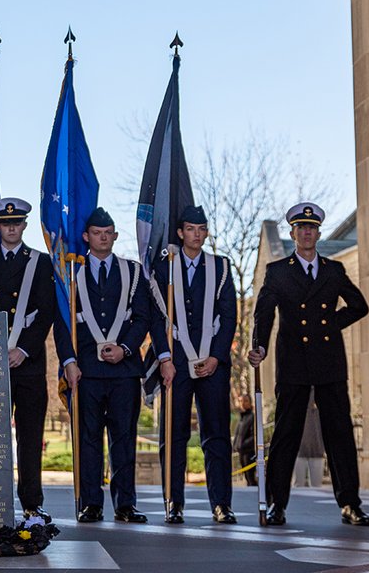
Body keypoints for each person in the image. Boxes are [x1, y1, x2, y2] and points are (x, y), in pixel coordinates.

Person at [248, 202, 369, 527]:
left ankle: (350, 504)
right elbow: (264, 314)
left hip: (329, 361)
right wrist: (259, 346)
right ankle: (277, 504)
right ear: (292, 233)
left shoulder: (333, 270)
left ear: (318, 233)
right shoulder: (278, 271)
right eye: (301, 228)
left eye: (312, 228)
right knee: (286, 434)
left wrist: (330, 324)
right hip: (293, 361)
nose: (306, 233)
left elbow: (359, 305)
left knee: (340, 434)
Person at [51, 207, 152, 523]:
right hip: (86, 371)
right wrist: (68, 361)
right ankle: (90, 503)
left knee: (124, 438)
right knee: (89, 439)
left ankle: (125, 504)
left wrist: (125, 348)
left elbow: (142, 317)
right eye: (97, 232)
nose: (103, 237)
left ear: (115, 236)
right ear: (86, 236)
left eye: (108, 232)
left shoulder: (132, 272)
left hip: (124, 370)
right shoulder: (70, 275)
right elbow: (62, 322)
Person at [149, 204, 238, 525]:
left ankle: (221, 504)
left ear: (207, 232)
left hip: (212, 363)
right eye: (190, 229)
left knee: (216, 435)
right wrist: (164, 358)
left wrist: (217, 356)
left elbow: (229, 316)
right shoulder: (164, 269)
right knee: (172, 435)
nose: (196, 235)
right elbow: (157, 318)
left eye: (201, 229)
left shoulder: (221, 267)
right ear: (180, 232)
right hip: (175, 363)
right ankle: (173, 502)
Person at [0, 197, 58, 523]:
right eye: (5, 223)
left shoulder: (41, 263)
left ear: (24, 226)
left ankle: (31, 501)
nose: (11, 228)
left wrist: (22, 349)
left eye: (16, 223)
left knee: (30, 436)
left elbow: (45, 312)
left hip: (27, 364)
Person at [293, 397, 325, 488]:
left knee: (316, 485)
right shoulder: (297, 409)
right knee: (298, 484)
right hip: (299, 450)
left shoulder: (321, 411)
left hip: (317, 450)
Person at [232, 393, 258, 487]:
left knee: (251, 477)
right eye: (241, 401)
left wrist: (243, 445)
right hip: (241, 452)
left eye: (245, 401)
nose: (243, 403)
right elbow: (238, 435)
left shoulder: (252, 417)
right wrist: (235, 446)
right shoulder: (242, 418)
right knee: (246, 477)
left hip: (249, 452)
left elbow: (254, 435)